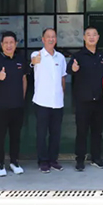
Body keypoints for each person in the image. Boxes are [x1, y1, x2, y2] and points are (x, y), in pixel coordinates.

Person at [67, 26, 103, 172]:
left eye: (94, 35)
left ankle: (96, 158)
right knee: (81, 131)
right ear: (84, 38)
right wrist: (73, 69)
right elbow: (69, 70)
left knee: (97, 131)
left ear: (98, 37)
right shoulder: (78, 56)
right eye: (88, 35)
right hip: (83, 101)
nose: (91, 37)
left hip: (99, 100)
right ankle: (80, 160)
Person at [0, 31, 28, 176]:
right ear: (1, 44)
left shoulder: (21, 60)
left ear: (16, 44)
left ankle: (14, 161)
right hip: (0, 106)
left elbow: (24, 80)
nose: (9, 45)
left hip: (17, 105)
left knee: (15, 136)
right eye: (6, 43)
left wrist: (21, 98)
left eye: (11, 43)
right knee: (0, 136)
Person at [31, 28, 67, 173]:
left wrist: (62, 94)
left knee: (55, 134)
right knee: (41, 134)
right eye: (48, 37)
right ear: (43, 39)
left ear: (56, 39)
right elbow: (33, 62)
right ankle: (43, 161)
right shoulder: (37, 55)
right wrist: (34, 62)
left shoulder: (61, 57)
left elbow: (62, 78)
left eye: (53, 37)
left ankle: (53, 160)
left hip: (57, 102)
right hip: (41, 102)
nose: (51, 39)